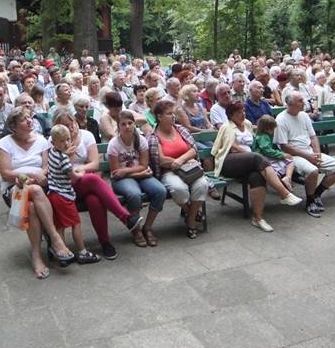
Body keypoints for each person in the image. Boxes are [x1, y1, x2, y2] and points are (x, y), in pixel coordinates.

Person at [50, 108, 143, 260]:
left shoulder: (86, 135)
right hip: (66, 185)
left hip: (84, 182)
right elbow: (61, 170)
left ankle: (105, 242)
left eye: (72, 122)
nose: (71, 127)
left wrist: (80, 169)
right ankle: (126, 218)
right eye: (66, 125)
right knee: (92, 179)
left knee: (94, 200)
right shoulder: (56, 141)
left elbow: (94, 165)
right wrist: (73, 159)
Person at [0, 107, 76, 279]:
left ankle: (37, 256)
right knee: (35, 190)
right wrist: (30, 176)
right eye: (24, 119)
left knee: (31, 207)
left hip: (39, 184)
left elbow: (46, 168)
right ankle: (55, 239)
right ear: (14, 126)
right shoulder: (5, 143)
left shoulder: (40, 140)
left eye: (30, 117)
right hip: (15, 189)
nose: (30, 121)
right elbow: (5, 173)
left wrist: (36, 177)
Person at [210, 103, 302, 232]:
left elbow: (257, 139)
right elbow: (233, 147)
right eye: (239, 113)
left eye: (244, 111)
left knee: (257, 176)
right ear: (231, 115)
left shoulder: (247, 124)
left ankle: (258, 218)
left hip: (249, 161)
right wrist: (251, 155)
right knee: (257, 158)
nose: (243, 114)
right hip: (230, 161)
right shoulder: (227, 127)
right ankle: (284, 193)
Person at [274, 92, 335, 218]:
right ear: (291, 104)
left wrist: (317, 154)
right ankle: (310, 201)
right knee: (313, 171)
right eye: (300, 100)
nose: (304, 103)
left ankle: (317, 193)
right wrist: (308, 157)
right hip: (292, 156)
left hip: (309, 152)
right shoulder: (281, 119)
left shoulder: (304, 116)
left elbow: (313, 137)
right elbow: (284, 146)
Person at [146, 100, 208, 239]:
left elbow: (193, 149)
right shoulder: (153, 136)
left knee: (202, 185)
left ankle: (190, 219)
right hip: (168, 172)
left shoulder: (181, 130)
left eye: (173, 113)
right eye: (169, 114)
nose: (173, 116)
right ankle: (192, 214)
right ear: (159, 117)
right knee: (179, 188)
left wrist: (181, 160)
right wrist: (184, 160)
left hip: (189, 168)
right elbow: (161, 160)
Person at [108, 111, 167, 248]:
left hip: (137, 174)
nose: (127, 126)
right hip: (121, 179)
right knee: (134, 194)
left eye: (130, 123)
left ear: (134, 124)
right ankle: (136, 230)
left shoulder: (141, 140)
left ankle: (147, 227)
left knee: (160, 190)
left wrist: (127, 172)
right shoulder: (114, 144)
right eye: (123, 124)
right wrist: (137, 174)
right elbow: (116, 172)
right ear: (119, 127)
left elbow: (143, 165)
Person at [47, 125, 101, 265]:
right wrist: (81, 173)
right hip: (63, 195)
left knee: (60, 226)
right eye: (61, 141)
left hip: (53, 193)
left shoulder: (53, 152)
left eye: (68, 139)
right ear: (53, 142)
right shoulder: (63, 158)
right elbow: (73, 176)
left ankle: (63, 254)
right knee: (76, 223)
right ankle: (82, 252)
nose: (66, 143)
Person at [253, 115, 296, 189]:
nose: (273, 130)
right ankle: (281, 184)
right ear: (265, 129)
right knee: (280, 167)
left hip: (269, 156)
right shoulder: (263, 137)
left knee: (290, 163)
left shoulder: (266, 135)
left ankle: (287, 178)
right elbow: (266, 150)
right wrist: (281, 155)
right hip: (264, 158)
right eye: (271, 129)